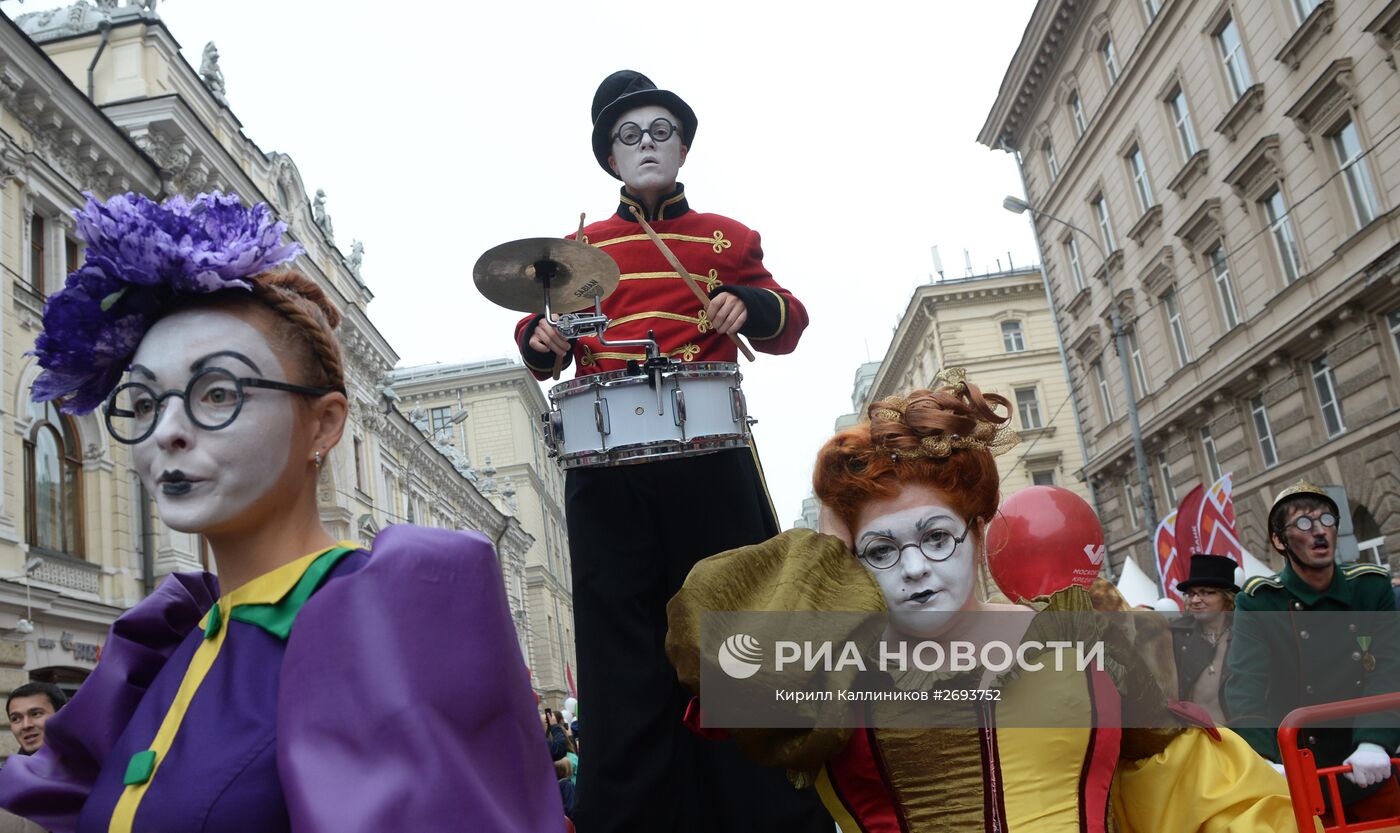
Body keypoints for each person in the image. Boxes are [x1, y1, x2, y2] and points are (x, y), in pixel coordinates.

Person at [0, 192, 561, 832]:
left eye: (218, 393)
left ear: (324, 424)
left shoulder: (389, 618)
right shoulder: (164, 648)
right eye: (146, 402)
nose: (169, 432)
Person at [667, 373, 1308, 831]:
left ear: (977, 533)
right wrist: (832, 541)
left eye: (937, 537)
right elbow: (719, 658)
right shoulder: (835, 669)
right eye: (882, 550)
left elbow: (1188, 790)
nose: (915, 568)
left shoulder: (1084, 646)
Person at [513, 71, 825, 832]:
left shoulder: (728, 236)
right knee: (623, 656)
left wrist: (749, 304)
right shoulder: (577, 249)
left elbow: (789, 322)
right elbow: (538, 343)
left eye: (660, 132)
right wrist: (542, 336)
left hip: (709, 457)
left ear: (682, 146)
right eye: (630, 135)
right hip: (610, 472)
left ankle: (764, 812)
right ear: (609, 157)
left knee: (735, 634)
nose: (646, 145)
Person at [1226, 479, 1400, 824]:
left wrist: (1375, 740)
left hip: (1367, 767)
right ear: (1280, 541)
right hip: (1298, 772)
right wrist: (1268, 761)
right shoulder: (1260, 601)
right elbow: (1245, 686)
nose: (1319, 532)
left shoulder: (1370, 587)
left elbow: (1390, 667)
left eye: (1327, 520)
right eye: (1304, 523)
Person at [1169, 554, 1238, 725]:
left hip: (1241, 740)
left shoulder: (1246, 635)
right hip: (1196, 739)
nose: (1195, 600)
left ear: (1226, 598)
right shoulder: (1175, 636)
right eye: (1191, 594)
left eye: (1206, 593)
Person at [5, 685, 66, 757]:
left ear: (62, 715)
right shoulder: (9, 768)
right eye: (16, 719)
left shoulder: (81, 762)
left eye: (35, 714)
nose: (26, 725)